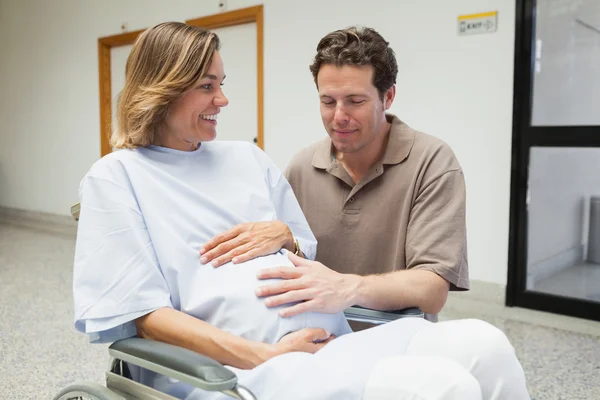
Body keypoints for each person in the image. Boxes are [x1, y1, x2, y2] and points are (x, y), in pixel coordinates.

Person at [73, 22, 530, 400]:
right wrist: (261, 355)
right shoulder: (117, 177)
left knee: (486, 345)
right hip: (247, 368)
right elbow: (144, 316)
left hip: (336, 342)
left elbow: (303, 251)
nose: (223, 99)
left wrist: (286, 237)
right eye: (207, 87)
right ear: (163, 89)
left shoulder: (247, 159)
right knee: (444, 387)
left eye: (222, 85)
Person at [200, 26, 467, 322]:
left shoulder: (432, 162)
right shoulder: (302, 167)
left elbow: (432, 288)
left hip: (397, 342)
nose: (339, 116)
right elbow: (282, 263)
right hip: (311, 340)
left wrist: (348, 288)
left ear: (388, 96)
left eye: (355, 101)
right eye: (328, 102)